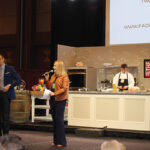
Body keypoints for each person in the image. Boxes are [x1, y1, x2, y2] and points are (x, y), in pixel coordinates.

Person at [45, 60, 69, 147]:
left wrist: (54, 93)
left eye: (55, 66)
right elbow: (49, 87)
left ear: (59, 67)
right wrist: (47, 80)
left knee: (59, 120)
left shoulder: (64, 76)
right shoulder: (53, 76)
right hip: (53, 99)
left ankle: (62, 142)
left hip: (60, 100)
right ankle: (55, 141)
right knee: (54, 121)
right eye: (53, 66)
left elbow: (64, 89)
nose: (53, 67)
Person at [0, 54, 21, 136]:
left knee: (5, 115)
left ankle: (6, 135)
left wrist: (10, 86)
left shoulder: (10, 69)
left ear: (3, 59)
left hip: (5, 94)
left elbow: (19, 80)